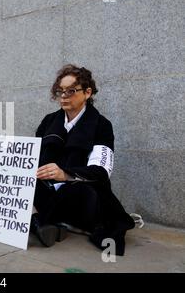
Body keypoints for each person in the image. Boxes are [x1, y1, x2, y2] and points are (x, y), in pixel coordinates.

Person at [31, 64, 135, 256]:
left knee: (85, 191)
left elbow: (101, 171)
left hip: (78, 192)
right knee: (22, 183)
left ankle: (40, 220)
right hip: (48, 188)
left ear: (87, 93)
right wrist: (0, 163)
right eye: (60, 91)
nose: (64, 96)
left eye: (71, 91)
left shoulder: (101, 125)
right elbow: (31, 156)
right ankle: (41, 223)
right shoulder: (49, 121)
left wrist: (66, 174)